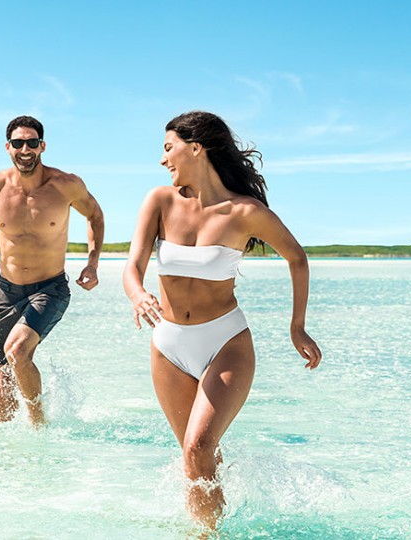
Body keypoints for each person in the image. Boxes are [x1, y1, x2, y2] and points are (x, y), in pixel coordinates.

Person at [122, 110, 321, 529]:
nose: (163, 159)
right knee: (194, 454)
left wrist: (296, 325)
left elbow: (297, 258)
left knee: (198, 446)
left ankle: (204, 536)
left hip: (224, 342)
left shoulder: (243, 212)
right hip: (169, 344)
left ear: (196, 148)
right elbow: (132, 266)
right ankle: (213, 526)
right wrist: (138, 293)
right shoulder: (159, 201)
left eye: (168, 148)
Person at [0, 115, 104, 426]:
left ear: (42, 146)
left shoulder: (65, 185)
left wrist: (92, 263)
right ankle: (6, 442)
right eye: (18, 143)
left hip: (49, 288)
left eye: (31, 142)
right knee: (4, 371)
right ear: (8, 147)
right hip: (6, 290)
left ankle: (39, 428)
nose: (25, 149)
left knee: (16, 351)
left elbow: (95, 216)